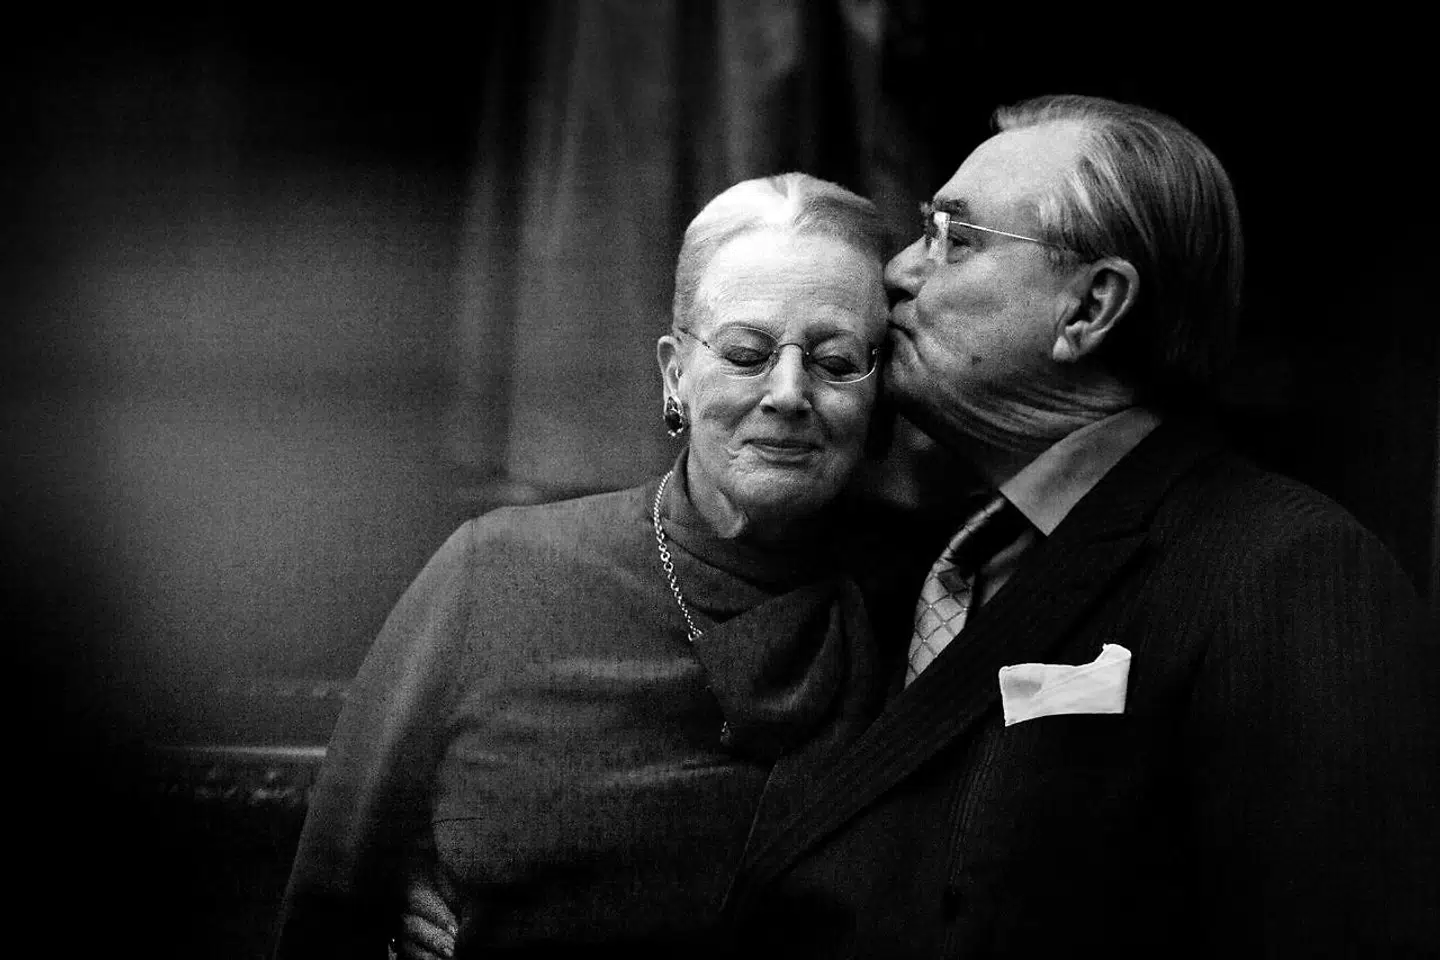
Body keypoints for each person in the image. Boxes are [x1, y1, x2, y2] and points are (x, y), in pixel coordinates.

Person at [721, 95, 1440, 956]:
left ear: (1090, 309)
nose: (900, 271)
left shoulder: (1293, 572)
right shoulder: (927, 560)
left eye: (954, 234)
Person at [271, 172, 918, 958]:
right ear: (675, 372)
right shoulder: (499, 573)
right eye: (747, 353)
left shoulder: (930, 591)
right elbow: (332, 905)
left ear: (881, 386)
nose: (788, 392)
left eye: (836, 361)